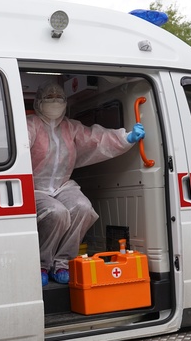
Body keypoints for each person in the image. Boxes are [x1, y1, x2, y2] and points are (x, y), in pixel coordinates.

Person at [27, 82, 145, 286]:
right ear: (38, 102)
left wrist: (126, 137)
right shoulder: (30, 125)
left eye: (59, 98)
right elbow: (18, 147)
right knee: (56, 213)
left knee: (83, 208)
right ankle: (41, 264)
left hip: (62, 185)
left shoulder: (70, 127)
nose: (54, 102)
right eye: (49, 98)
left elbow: (97, 139)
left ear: (66, 102)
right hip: (34, 187)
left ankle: (63, 262)